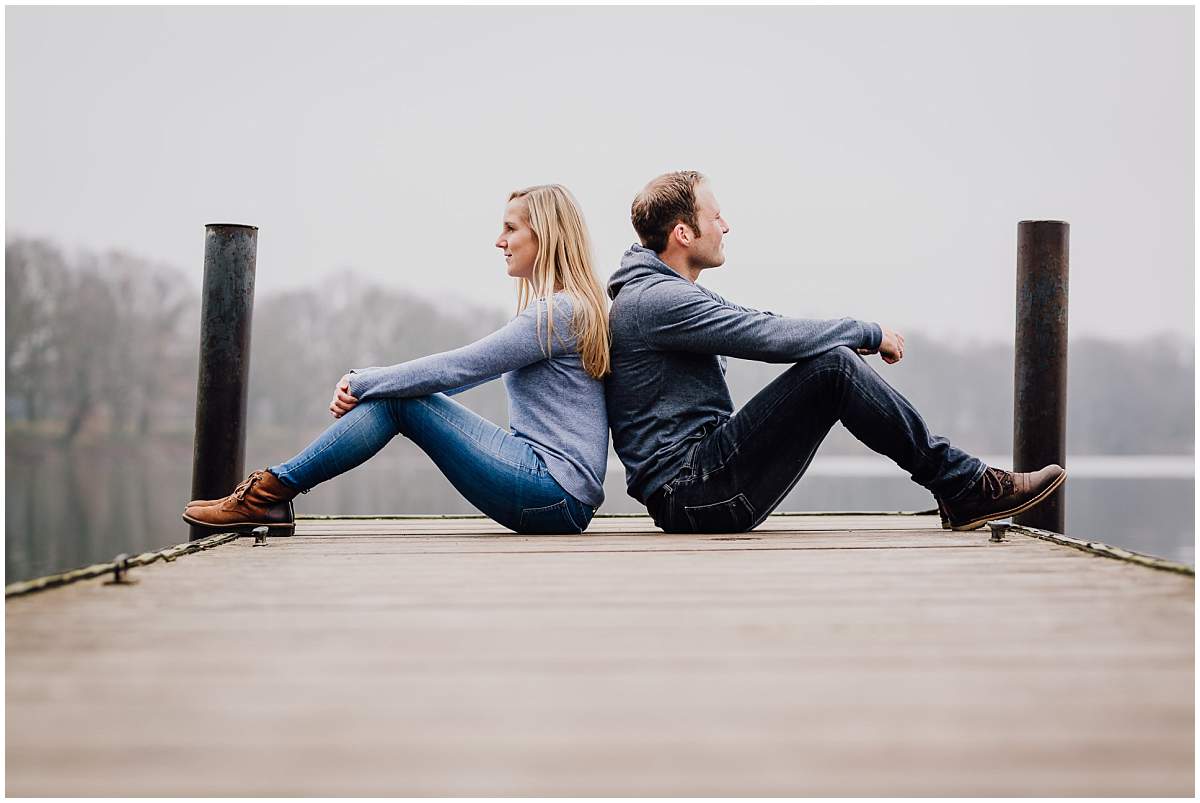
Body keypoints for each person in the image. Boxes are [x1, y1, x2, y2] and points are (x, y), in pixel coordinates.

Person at [605, 170, 1064, 534]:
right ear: (683, 233)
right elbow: (766, 336)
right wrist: (866, 331)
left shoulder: (661, 294)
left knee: (833, 364)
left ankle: (961, 485)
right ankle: (965, 485)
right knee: (835, 369)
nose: (726, 226)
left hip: (700, 486)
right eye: (715, 217)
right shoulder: (656, 301)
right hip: (694, 493)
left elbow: (760, 319)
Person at [184, 184, 610, 536]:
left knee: (396, 400)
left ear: (546, 235)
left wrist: (363, 381)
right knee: (400, 395)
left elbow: (461, 367)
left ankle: (267, 495)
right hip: (554, 491)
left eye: (510, 229)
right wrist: (375, 383)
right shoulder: (567, 309)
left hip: (552, 493)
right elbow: (457, 380)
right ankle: (270, 499)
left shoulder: (558, 313)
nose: (499, 241)